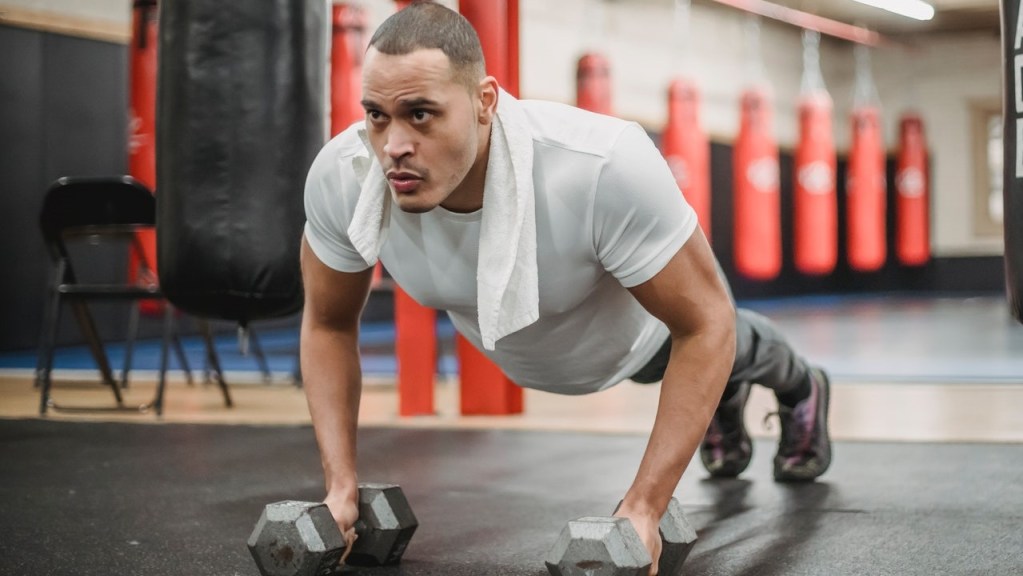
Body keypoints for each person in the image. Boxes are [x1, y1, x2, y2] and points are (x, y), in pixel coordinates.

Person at [300, 2, 831, 572]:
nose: (393, 144)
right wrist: (341, 487)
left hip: (642, 338)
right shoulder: (344, 177)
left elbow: (706, 324)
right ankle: (723, 399)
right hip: (535, 353)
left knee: (734, 342)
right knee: (717, 363)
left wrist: (644, 509)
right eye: (377, 115)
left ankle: (804, 388)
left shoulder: (598, 164)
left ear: (485, 102)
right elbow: (328, 323)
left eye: (421, 114)